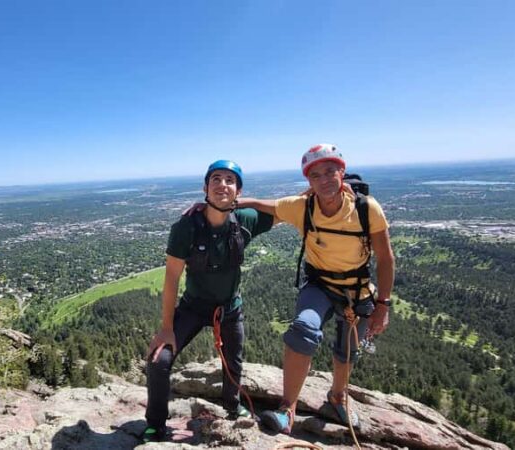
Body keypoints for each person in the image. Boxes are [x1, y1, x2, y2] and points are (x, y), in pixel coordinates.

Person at [238, 144, 395, 434]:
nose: (324, 180)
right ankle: (287, 409)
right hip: (319, 284)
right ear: (308, 181)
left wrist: (383, 305)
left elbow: (385, 258)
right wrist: (224, 202)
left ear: (342, 172)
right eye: (316, 175)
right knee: (303, 329)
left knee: (347, 350)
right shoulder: (302, 207)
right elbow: (265, 205)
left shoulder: (365, 208)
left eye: (330, 171)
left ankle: (338, 397)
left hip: (357, 290)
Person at [142, 160, 275, 442]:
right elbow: (171, 280)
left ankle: (232, 405)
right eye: (216, 179)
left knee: (233, 361)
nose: (222, 184)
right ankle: (155, 423)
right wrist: (166, 328)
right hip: (193, 306)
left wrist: (242, 202)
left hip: (229, 308)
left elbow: (288, 209)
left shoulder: (246, 220)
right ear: (205, 187)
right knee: (159, 360)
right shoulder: (186, 227)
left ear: (238, 190)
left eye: (230, 180)